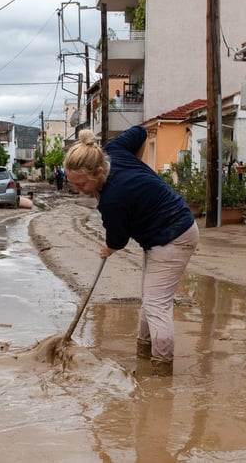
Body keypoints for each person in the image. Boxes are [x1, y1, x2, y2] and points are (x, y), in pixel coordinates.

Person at [64, 125, 199, 375]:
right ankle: (144, 353)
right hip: (162, 232)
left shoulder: (113, 198)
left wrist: (108, 247)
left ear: (100, 171)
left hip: (174, 236)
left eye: (81, 184)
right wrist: (138, 167)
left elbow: (118, 239)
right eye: (72, 183)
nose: (78, 189)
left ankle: (161, 372)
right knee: (150, 299)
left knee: (157, 304)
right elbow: (139, 132)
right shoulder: (113, 150)